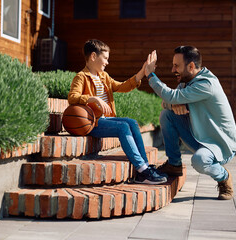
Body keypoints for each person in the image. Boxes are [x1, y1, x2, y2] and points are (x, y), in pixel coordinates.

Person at [144, 46, 236, 200]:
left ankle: (224, 177)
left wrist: (150, 75)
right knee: (167, 115)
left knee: (200, 161)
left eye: (177, 66)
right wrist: (174, 104)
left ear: (191, 66)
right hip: (199, 137)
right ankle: (174, 165)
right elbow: (167, 101)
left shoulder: (206, 84)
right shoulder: (186, 82)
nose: (172, 69)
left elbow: (170, 96)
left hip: (220, 146)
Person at [68, 39, 167, 184]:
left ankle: (144, 169)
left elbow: (123, 87)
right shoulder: (81, 77)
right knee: (123, 126)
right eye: (106, 58)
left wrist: (143, 72)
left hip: (104, 120)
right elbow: (72, 97)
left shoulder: (104, 77)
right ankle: (142, 168)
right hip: (92, 123)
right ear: (93, 56)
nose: (107, 62)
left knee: (132, 123)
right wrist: (93, 99)